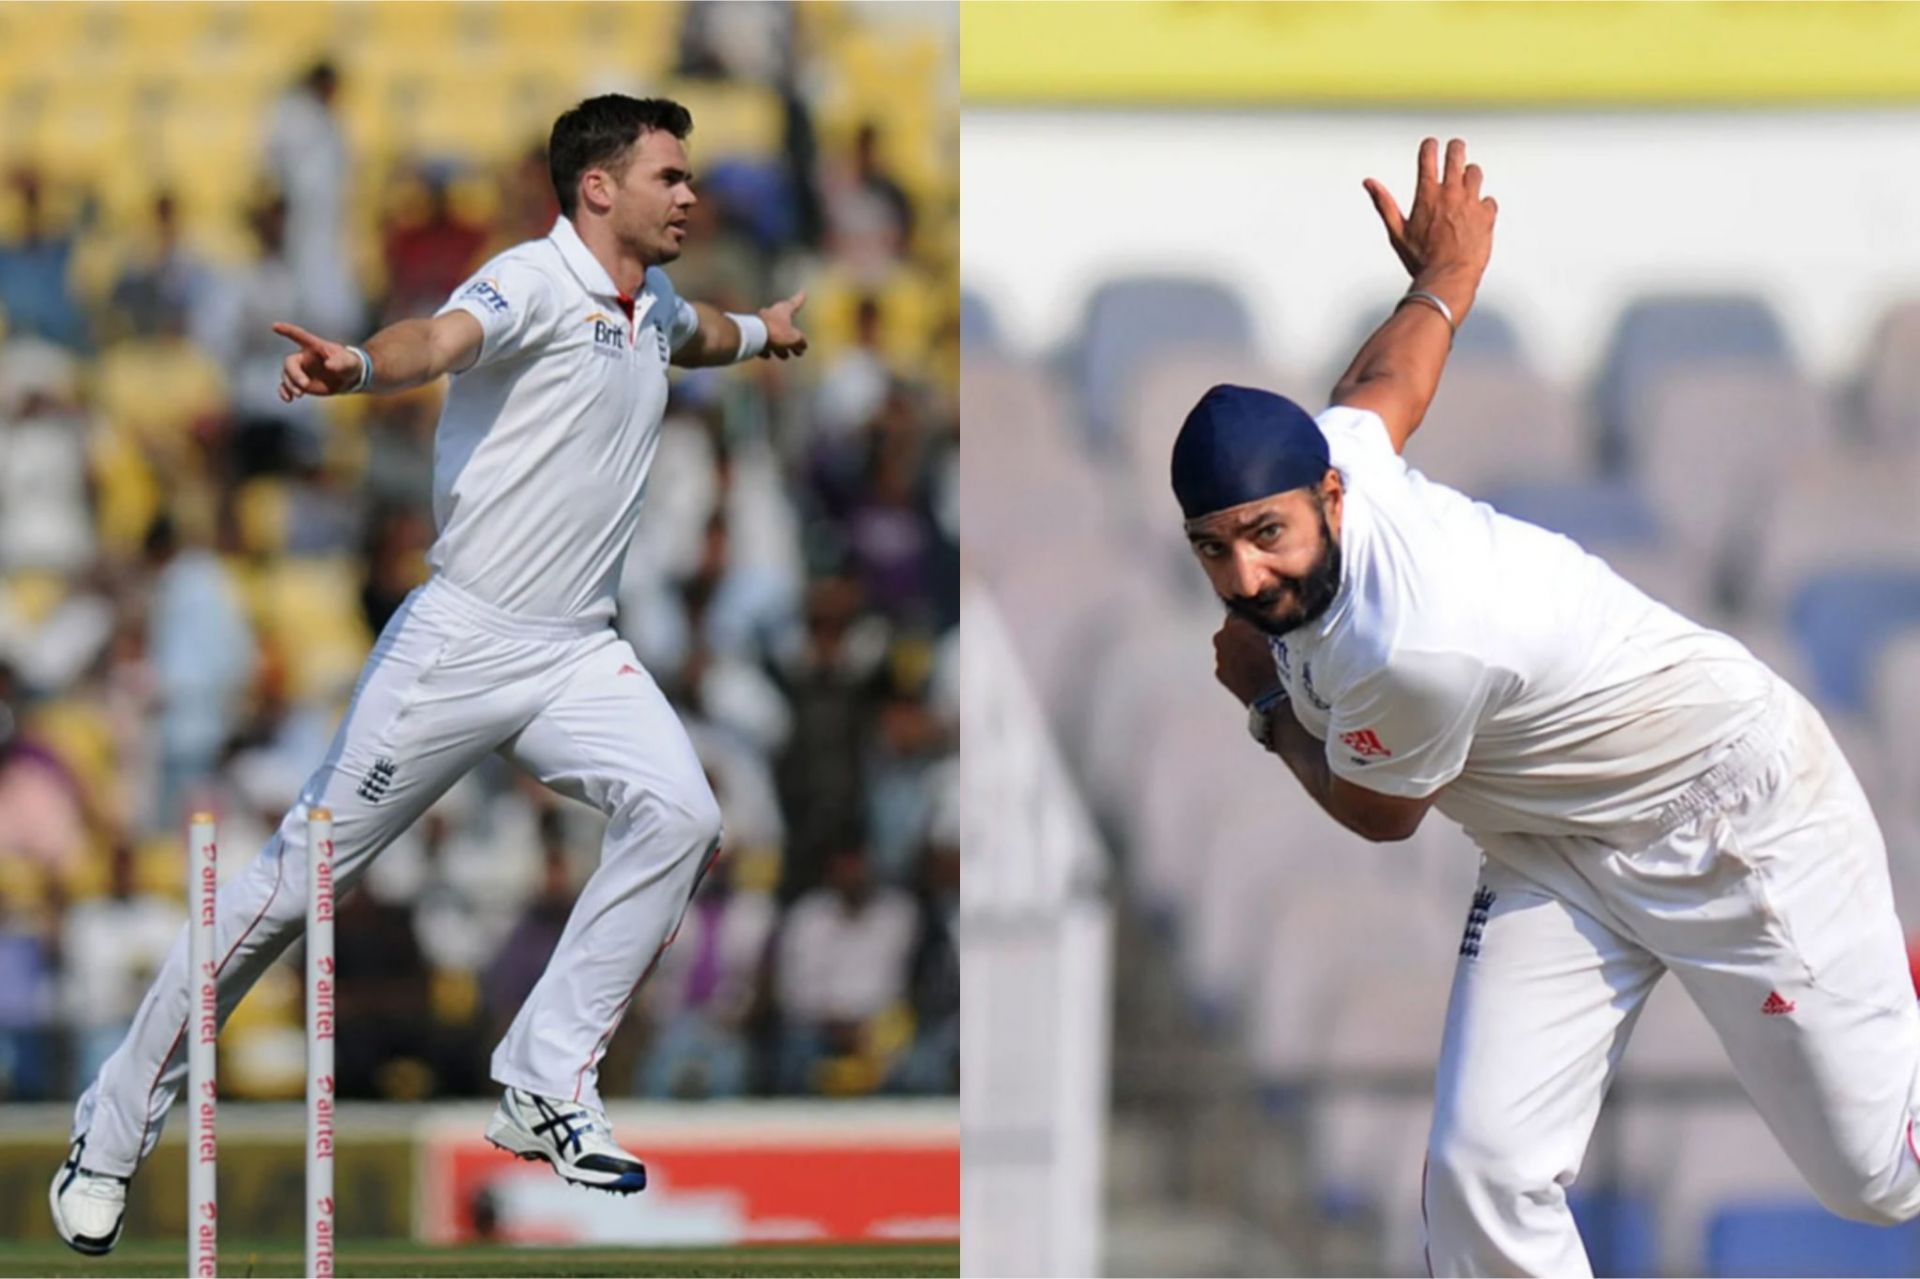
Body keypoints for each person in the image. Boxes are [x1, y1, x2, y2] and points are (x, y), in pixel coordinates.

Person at [52, 94, 809, 1256]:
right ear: (598, 188)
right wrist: (357, 364)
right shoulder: (531, 278)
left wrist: (763, 331)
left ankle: (545, 1079)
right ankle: (108, 1132)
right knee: (287, 890)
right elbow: (438, 341)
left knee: (685, 811)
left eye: (689, 175)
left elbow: (695, 331)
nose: (690, 194)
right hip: (462, 636)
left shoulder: (647, 301)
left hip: (576, 649)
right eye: (669, 175)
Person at [1183, 138, 1920, 1277]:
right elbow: (1387, 385)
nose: (1245, 579)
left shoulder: (1407, 640)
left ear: (1327, 498)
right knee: (1481, 1172)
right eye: (1214, 549)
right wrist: (1441, 283)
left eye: (1266, 536)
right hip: (1553, 846)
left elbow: (1379, 817)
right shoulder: (1338, 459)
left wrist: (1265, 702)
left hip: (1732, 812)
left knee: (1877, 1180)